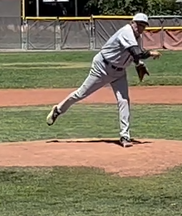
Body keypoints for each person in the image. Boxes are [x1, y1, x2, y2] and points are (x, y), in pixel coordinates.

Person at [46, 13, 160, 147]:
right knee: (81, 94)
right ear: (132, 22)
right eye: (138, 24)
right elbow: (137, 52)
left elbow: (134, 54)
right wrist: (150, 53)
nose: (140, 27)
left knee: (124, 101)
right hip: (102, 67)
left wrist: (139, 64)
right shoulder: (126, 32)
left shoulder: (137, 37)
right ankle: (58, 110)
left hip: (119, 72)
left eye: (143, 25)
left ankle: (125, 136)